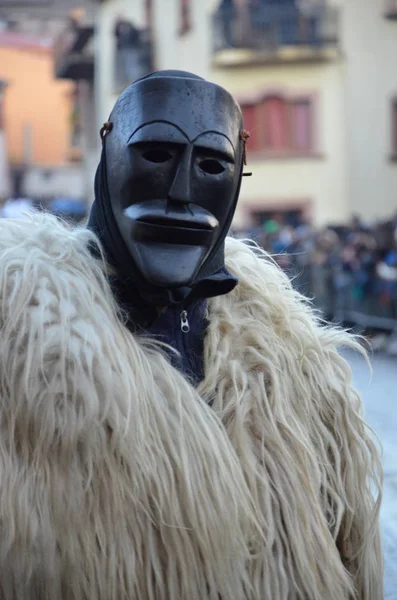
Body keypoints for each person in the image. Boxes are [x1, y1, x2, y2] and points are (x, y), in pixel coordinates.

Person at [0, 70, 383, 599]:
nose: (181, 192)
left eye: (212, 165)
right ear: (110, 158)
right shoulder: (15, 344)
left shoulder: (293, 363)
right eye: (155, 154)